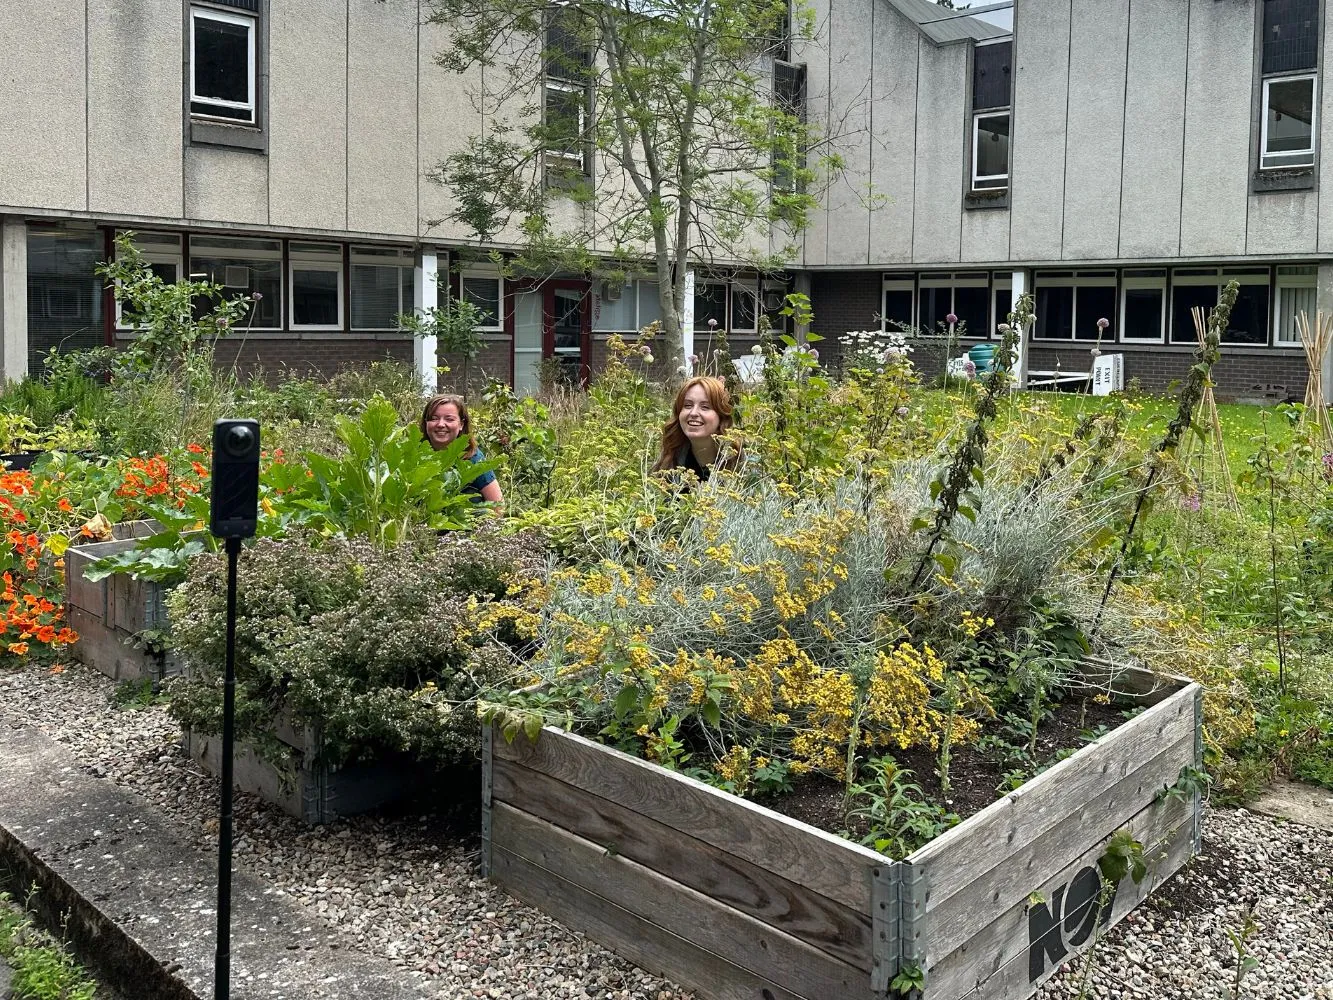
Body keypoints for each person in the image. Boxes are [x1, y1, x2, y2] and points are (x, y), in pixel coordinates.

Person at [419, 394, 504, 509]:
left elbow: (498, 507)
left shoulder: (473, 458)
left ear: (461, 424)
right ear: (426, 423)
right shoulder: (414, 455)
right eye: (434, 418)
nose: (441, 424)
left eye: (449, 419)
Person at [651, 375, 740, 483]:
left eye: (705, 407)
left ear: (722, 416)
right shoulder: (669, 458)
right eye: (688, 405)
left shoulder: (742, 464)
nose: (693, 413)